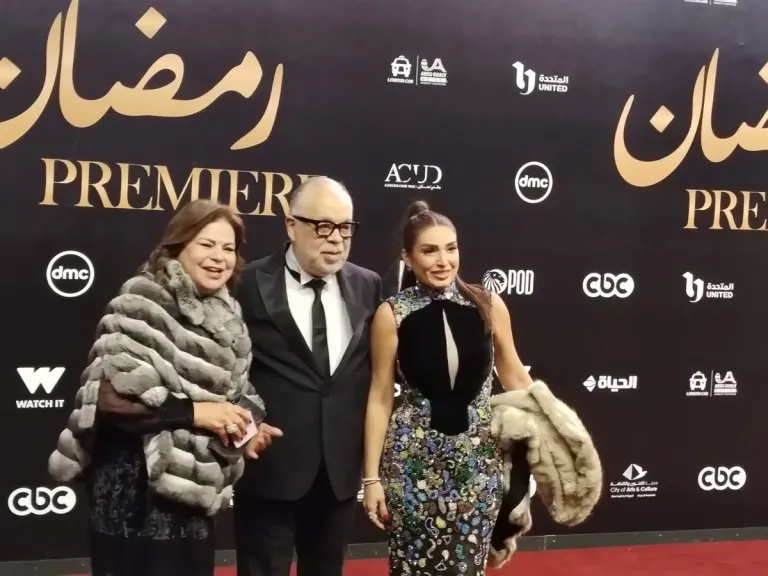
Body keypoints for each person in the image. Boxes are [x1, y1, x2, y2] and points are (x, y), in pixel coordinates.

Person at [47, 200, 281, 576]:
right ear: (178, 244)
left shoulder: (229, 314)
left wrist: (244, 429)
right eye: (206, 244)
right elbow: (111, 399)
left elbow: (230, 393)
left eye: (228, 248)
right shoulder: (140, 302)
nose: (219, 257)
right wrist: (197, 413)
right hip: (133, 494)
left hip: (193, 494)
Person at [362, 200, 534, 575]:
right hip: (410, 466)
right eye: (429, 251)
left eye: (450, 248)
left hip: (478, 465)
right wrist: (372, 478)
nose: (443, 261)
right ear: (407, 258)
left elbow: (516, 377)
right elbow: (379, 397)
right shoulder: (392, 313)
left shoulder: (488, 304)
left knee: (467, 567)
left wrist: (556, 430)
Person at [233, 176, 382, 576]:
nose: (336, 238)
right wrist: (245, 430)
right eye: (323, 226)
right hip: (269, 468)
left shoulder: (368, 285)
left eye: (345, 227)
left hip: (338, 474)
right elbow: (225, 369)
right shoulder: (246, 282)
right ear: (291, 225)